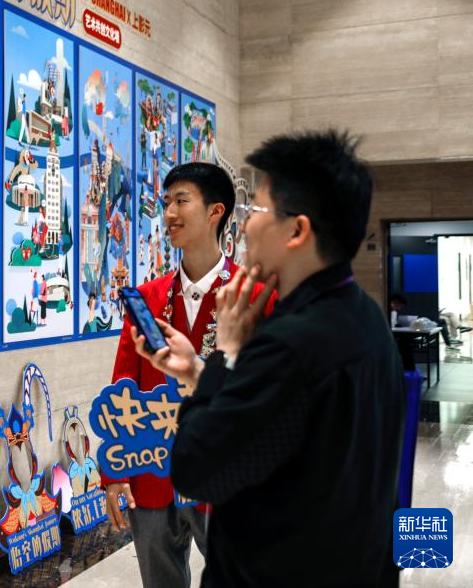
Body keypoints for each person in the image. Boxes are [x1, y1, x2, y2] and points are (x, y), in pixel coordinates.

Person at [128, 130, 404, 587]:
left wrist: (226, 352)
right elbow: (272, 428)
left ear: (297, 230)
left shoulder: (290, 344)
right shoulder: (364, 317)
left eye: (255, 211)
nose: (245, 226)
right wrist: (196, 370)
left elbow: (197, 469)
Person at [103, 162, 263, 588]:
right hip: (152, 473)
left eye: (181, 201)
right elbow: (123, 385)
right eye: (166, 203)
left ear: (215, 211)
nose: (169, 213)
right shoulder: (147, 299)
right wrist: (115, 473)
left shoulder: (252, 296)